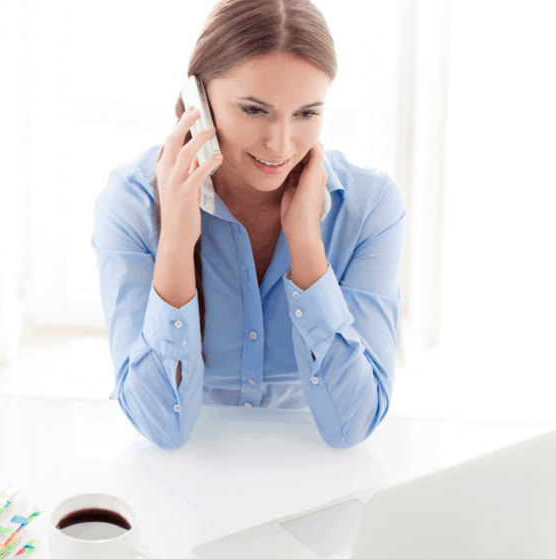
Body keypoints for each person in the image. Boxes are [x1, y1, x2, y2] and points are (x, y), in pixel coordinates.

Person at [92, 0, 405, 449]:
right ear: (198, 100)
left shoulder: (369, 206)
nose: (280, 144)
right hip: (189, 474)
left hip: (307, 471)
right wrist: (176, 245)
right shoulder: (131, 201)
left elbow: (352, 426)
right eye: (254, 110)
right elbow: (162, 426)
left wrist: (307, 248)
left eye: (307, 113)